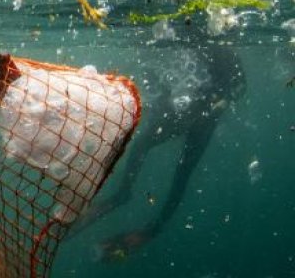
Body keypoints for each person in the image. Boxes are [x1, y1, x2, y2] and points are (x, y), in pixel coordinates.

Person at [67, 26, 246, 259]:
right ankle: (126, 199)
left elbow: (239, 86)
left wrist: (214, 104)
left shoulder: (220, 50)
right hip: (189, 110)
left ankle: (143, 218)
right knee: (167, 162)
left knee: (176, 168)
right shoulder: (203, 44)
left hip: (203, 115)